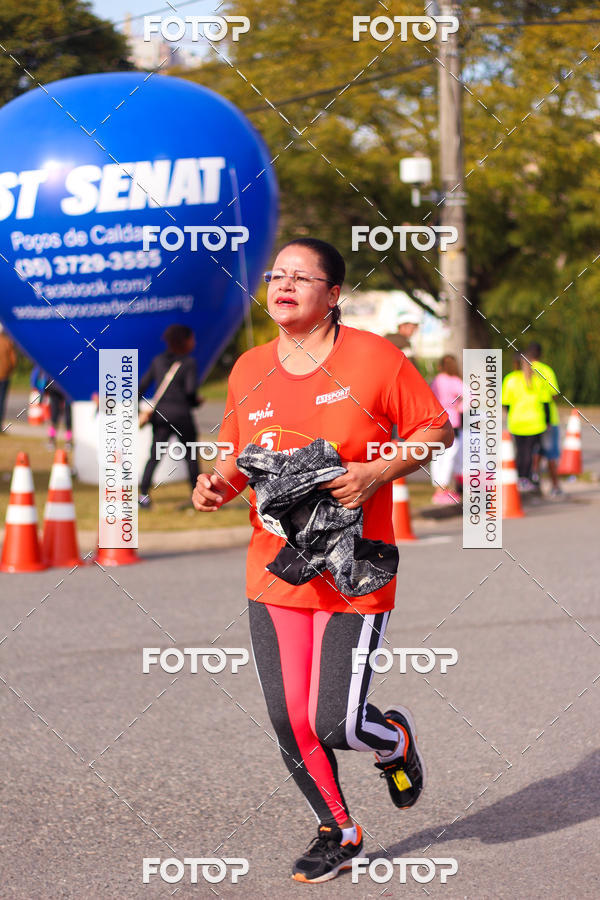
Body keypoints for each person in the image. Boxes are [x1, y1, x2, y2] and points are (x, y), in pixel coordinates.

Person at [192, 238, 453, 883]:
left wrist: (377, 471)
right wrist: (214, 484)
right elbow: (238, 450)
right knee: (289, 716)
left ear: (332, 294)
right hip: (276, 567)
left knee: (334, 718)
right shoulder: (250, 366)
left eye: (299, 277)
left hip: (353, 566)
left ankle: (391, 739)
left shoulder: (376, 358)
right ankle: (339, 830)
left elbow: (435, 429)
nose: (282, 286)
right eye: (276, 275)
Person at [138, 324, 202, 508]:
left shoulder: (157, 361)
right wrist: (196, 401)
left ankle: (144, 496)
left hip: (161, 416)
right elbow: (190, 391)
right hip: (182, 415)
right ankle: (196, 496)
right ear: (185, 341)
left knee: (154, 456)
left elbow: (140, 388)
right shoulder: (189, 363)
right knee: (190, 456)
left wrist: (139, 412)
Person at [501, 352, 547, 492]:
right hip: (535, 422)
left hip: (517, 421)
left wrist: (512, 413)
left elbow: (505, 403)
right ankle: (525, 478)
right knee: (530, 451)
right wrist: (548, 420)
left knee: (520, 451)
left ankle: (520, 477)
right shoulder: (537, 380)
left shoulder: (510, 379)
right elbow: (545, 402)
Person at [526, 342, 562, 497]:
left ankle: (534, 482)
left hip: (528, 418)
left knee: (534, 452)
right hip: (548, 419)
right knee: (551, 454)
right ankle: (555, 486)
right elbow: (554, 393)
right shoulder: (546, 370)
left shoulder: (523, 371)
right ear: (540, 354)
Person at [430, 354, 463, 504]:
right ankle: (443, 488)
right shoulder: (455, 381)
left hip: (436, 421)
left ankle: (437, 489)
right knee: (450, 455)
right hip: (452, 421)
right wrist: (458, 407)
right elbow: (471, 397)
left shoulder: (436, 381)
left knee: (437, 456)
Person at [0, 325, 17, 432]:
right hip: (4, 376)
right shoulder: (7, 342)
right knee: (1, 401)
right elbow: (13, 360)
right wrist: (9, 371)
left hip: (5, 375)